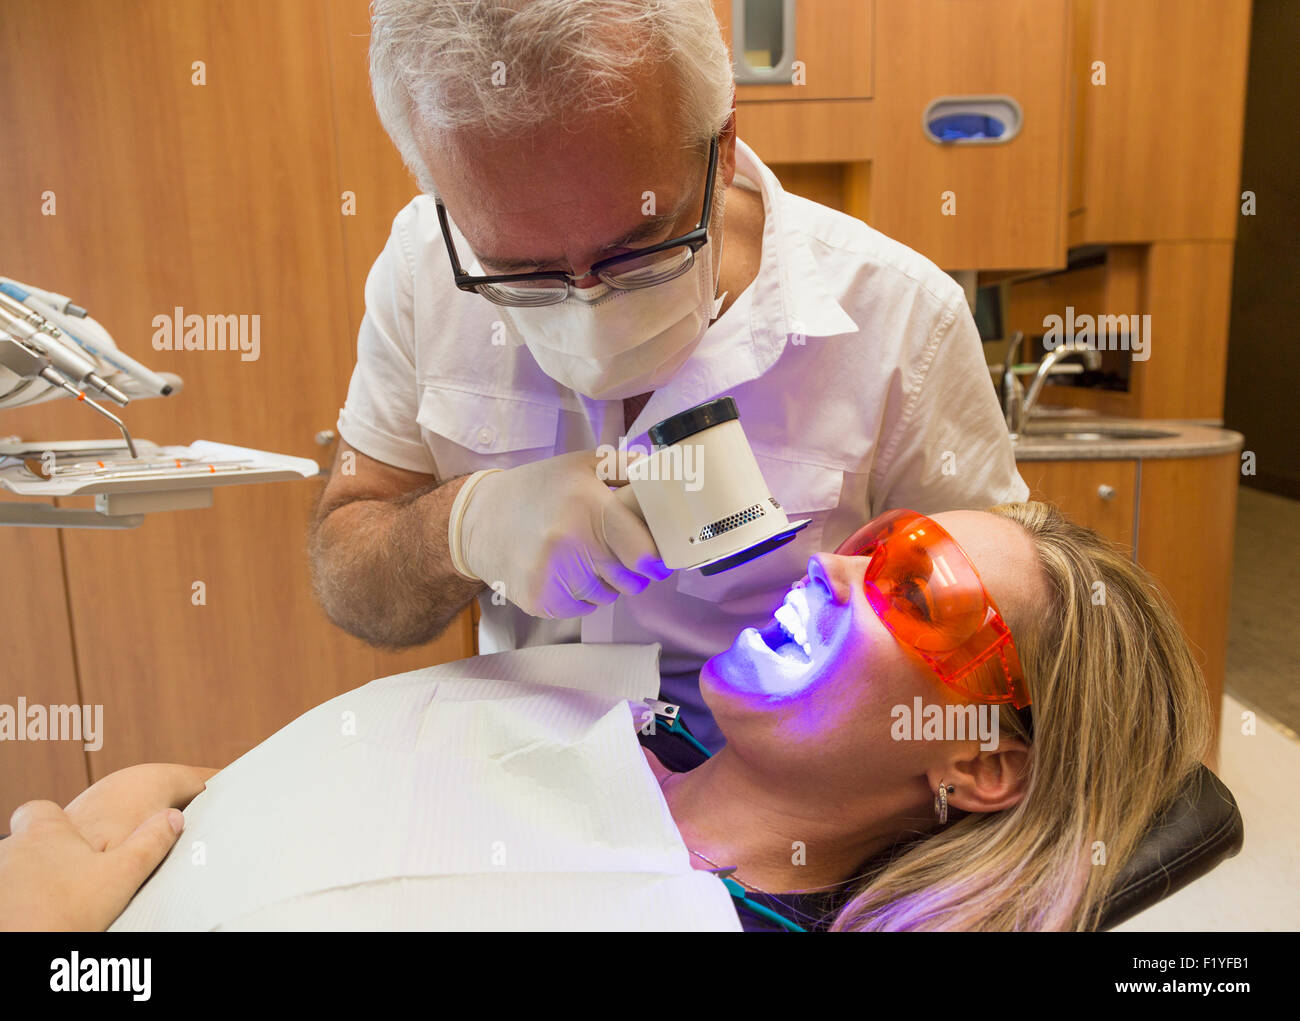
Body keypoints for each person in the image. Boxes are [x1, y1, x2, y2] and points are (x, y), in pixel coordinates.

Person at [309, 0, 1028, 753]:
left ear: (722, 138)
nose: (589, 307)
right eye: (520, 271)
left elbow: (1002, 650)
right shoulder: (424, 270)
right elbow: (349, 569)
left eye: (641, 245)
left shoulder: (905, 320)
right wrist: (464, 524)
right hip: (525, 786)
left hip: (780, 808)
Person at [3, 502, 1211, 932]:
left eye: (920, 591)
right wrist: (178, 798)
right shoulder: (605, 700)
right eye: (876, 541)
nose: (833, 571)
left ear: (978, 768)